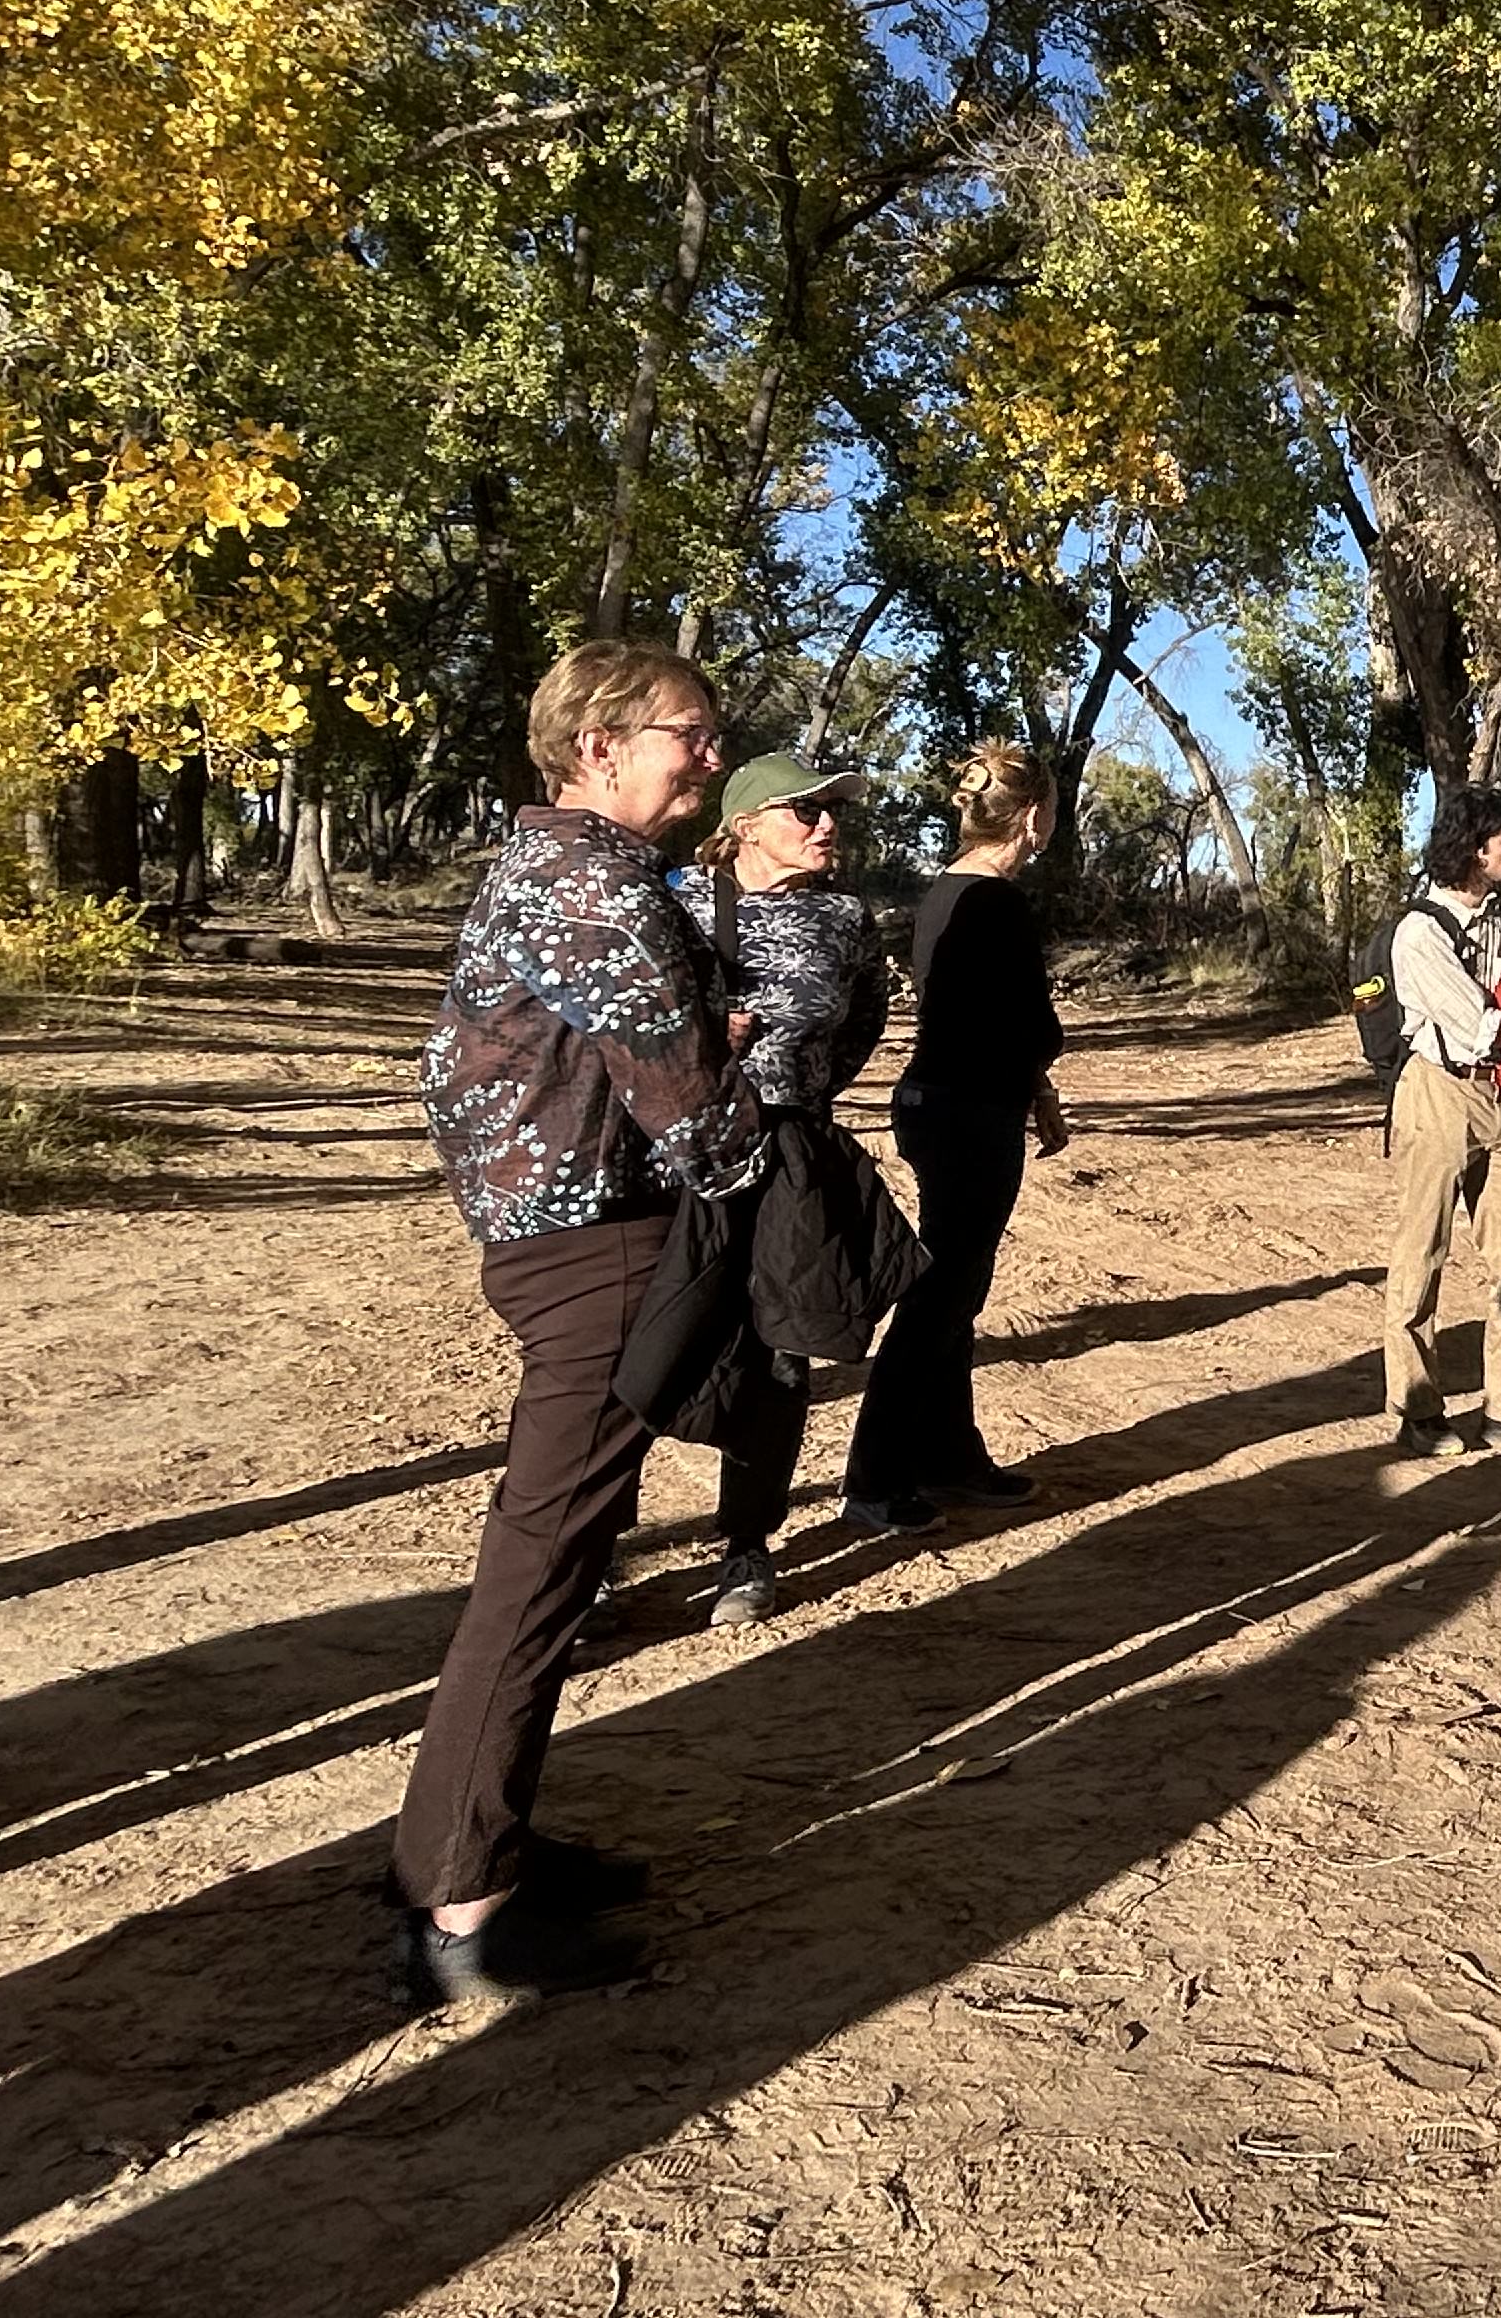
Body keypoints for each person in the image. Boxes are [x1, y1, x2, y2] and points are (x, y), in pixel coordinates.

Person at [406, 638, 769, 2002]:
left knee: (554, 1555)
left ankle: (472, 1848)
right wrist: (745, 1122)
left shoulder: (553, 867)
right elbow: (694, 1113)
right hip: (596, 1255)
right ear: (599, 745)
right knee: (542, 1569)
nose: (713, 758)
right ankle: (461, 1906)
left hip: (564, 1242)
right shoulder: (598, 886)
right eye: (692, 733)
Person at [672, 752, 890, 1627]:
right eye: (806, 810)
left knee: (779, 1347)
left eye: (833, 810)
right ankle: (598, 1550)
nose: (827, 824)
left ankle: (747, 1544)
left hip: (787, 1150)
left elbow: (863, 1021)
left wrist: (799, 1095)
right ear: (746, 826)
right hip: (676, 1158)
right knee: (647, 1343)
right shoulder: (677, 901)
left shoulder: (845, 917)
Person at [845, 740, 1067, 1529]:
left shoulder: (948, 891)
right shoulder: (997, 903)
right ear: (1032, 817)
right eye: (1053, 810)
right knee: (941, 1295)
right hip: (969, 1114)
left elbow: (982, 1018)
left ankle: (948, 1456)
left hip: (946, 1103)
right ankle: (874, 1477)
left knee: (955, 1290)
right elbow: (1026, 1022)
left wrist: (1037, 1090)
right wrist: (1041, 1064)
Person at [1382, 783, 1501, 1456]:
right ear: (1473, 850)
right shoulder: (1419, 933)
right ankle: (1417, 1411)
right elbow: (1486, 1029)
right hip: (1437, 1093)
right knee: (1422, 1254)